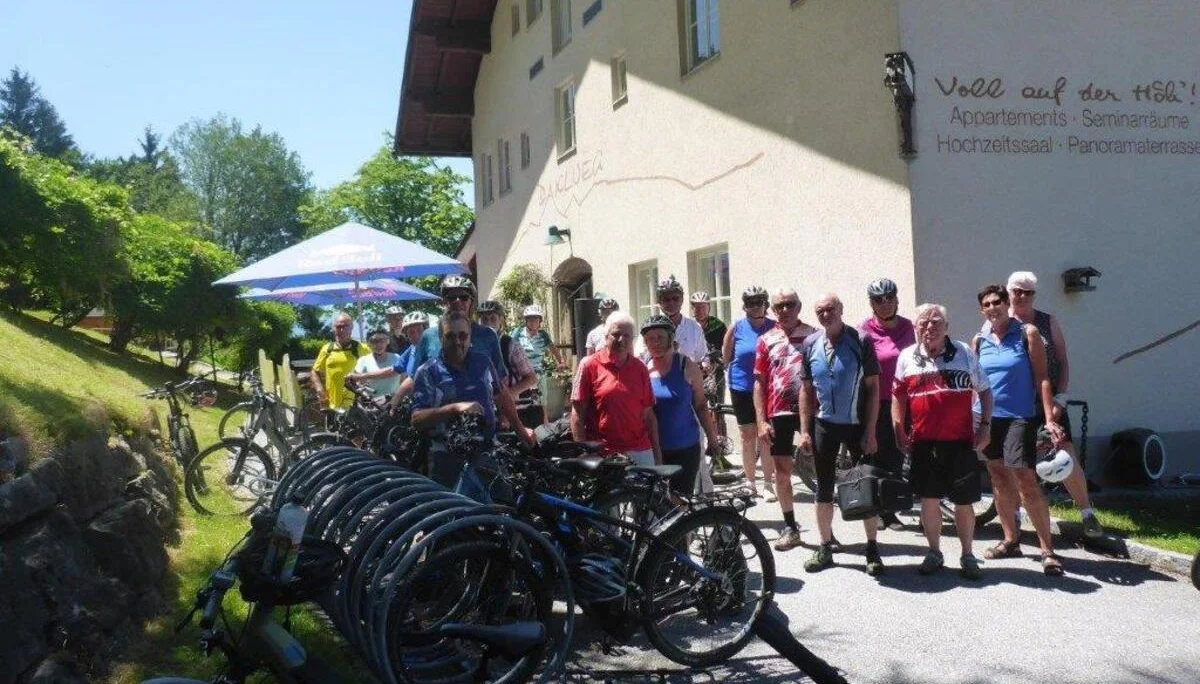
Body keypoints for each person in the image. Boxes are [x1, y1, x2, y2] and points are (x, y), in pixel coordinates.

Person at [893, 304, 994, 578]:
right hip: (923, 442)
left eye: (936, 321)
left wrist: (985, 426)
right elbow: (898, 395)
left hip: (960, 441)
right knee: (929, 500)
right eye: (923, 322)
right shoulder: (906, 357)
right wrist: (899, 429)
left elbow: (985, 391)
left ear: (946, 327)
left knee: (964, 501)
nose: (930, 327)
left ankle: (968, 555)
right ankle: (934, 552)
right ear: (915, 327)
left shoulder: (964, 352)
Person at [973, 284, 1066, 576]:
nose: (993, 308)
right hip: (989, 419)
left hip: (1020, 418)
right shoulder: (979, 340)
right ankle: (1011, 540)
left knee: (1025, 479)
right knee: (999, 478)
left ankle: (1047, 550)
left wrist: (1049, 418)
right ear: (982, 310)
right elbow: (975, 384)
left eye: (997, 302)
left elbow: (1042, 378)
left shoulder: (1028, 333)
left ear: (1006, 304)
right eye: (987, 304)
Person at [1002, 271, 1102, 538]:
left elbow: (1063, 361)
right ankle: (1016, 517)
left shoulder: (1047, 321)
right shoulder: (1001, 324)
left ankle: (1087, 514)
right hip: (1014, 405)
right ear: (1008, 292)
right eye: (1017, 291)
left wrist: (1061, 398)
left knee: (1065, 455)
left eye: (1028, 292)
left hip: (1050, 401)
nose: (1022, 296)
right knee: (1016, 463)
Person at [796, 294, 883, 575]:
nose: (825, 314)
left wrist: (870, 430)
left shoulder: (861, 340)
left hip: (857, 424)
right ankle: (824, 547)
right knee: (823, 488)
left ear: (841, 310)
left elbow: (873, 388)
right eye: (820, 311)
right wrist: (805, 431)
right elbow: (806, 390)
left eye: (830, 309)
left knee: (865, 487)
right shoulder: (810, 344)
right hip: (825, 425)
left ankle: (872, 549)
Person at [410, 312, 532, 487]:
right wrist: (454, 408)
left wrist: (521, 431)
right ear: (441, 338)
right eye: (450, 336)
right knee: (452, 505)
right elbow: (416, 419)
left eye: (462, 335)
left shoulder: (483, 361)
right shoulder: (428, 372)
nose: (457, 341)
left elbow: (500, 395)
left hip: (487, 450)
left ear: (470, 337)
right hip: (446, 457)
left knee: (503, 500)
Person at [753, 287, 818, 551]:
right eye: (779, 306)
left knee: (822, 471)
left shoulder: (814, 335)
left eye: (790, 304)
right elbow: (759, 382)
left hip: (812, 411)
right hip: (778, 412)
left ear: (799, 306)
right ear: (772, 310)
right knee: (782, 471)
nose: (785, 310)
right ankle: (790, 526)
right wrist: (760, 421)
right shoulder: (766, 339)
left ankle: (827, 534)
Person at [859, 278, 916, 531]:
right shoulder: (864, 330)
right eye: (878, 299)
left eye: (889, 298)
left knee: (896, 455)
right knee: (876, 456)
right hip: (877, 401)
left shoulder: (909, 327)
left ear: (896, 299)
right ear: (871, 303)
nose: (884, 303)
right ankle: (877, 510)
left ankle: (891, 509)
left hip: (905, 400)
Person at [641, 314, 721, 495]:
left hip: (686, 447)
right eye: (650, 339)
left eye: (660, 337)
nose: (655, 342)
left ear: (671, 338)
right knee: (655, 502)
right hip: (653, 448)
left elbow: (701, 406)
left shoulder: (687, 365)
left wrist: (712, 438)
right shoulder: (643, 369)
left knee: (680, 501)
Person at [571, 312, 661, 467]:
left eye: (627, 336)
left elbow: (648, 415)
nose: (621, 340)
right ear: (606, 336)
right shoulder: (589, 365)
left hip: (640, 450)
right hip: (604, 453)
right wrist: (584, 454)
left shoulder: (640, 368)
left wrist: (657, 454)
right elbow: (577, 414)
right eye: (616, 334)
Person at [723, 285, 778, 500]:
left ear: (765, 304)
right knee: (747, 436)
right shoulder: (736, 327)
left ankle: (768, 483)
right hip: (741, 387)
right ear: (744, 306)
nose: (755, 306)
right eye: (750, 303)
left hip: (767, 388)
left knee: (765, 435)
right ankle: (750, 482)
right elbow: (726, 357)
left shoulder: (775, 327)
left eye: (759, 302)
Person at [478, 300, 540, 427]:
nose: (488, 323)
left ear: (501, 320)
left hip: (509, 410)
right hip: (482, 409)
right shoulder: (474, 345)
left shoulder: (509, 344)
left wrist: (508, 395)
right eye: (484, 319)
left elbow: (531, 378)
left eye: (493, 318)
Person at [634, 275, 706, 363]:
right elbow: (639, 358)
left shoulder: (694, 327)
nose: (671, 303)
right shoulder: (649, 328)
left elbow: (701, 358)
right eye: (666, 300)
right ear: (659, 302)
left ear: (682, 300)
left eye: (675, 299)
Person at [512, 304, 563, 424]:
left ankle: (545, 423)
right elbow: (508, 347)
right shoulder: (518, 333)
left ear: (540, 321)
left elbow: (553, 348)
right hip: (521, 373)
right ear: (526, 321)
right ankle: (517, 423)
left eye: (536, 319)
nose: (533, 322)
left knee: (543, 399)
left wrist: (561, 361)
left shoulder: (543, 335)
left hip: (538, 372)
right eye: (530, 319)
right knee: (517, 398)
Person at [310, 312, 369, 410]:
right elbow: (315, 371)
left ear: (351, 327)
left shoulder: (363, 349)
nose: (342, 330)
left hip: (356, 406)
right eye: (338, 327)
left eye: (345, 326)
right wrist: (320, 390)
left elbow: (376, 369)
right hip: (332, 405)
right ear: (334, 328)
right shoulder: (327, 349)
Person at [353, 328, 402, 397]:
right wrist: (360, 387)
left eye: (382, 340)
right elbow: (357, 382)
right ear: (368, 344)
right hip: (373, 402)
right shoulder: (363, 360)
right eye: (374, 341)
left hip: (395, 401)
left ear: (387, 341)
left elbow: (404, 380)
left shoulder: (396, 358)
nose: (378, 344)